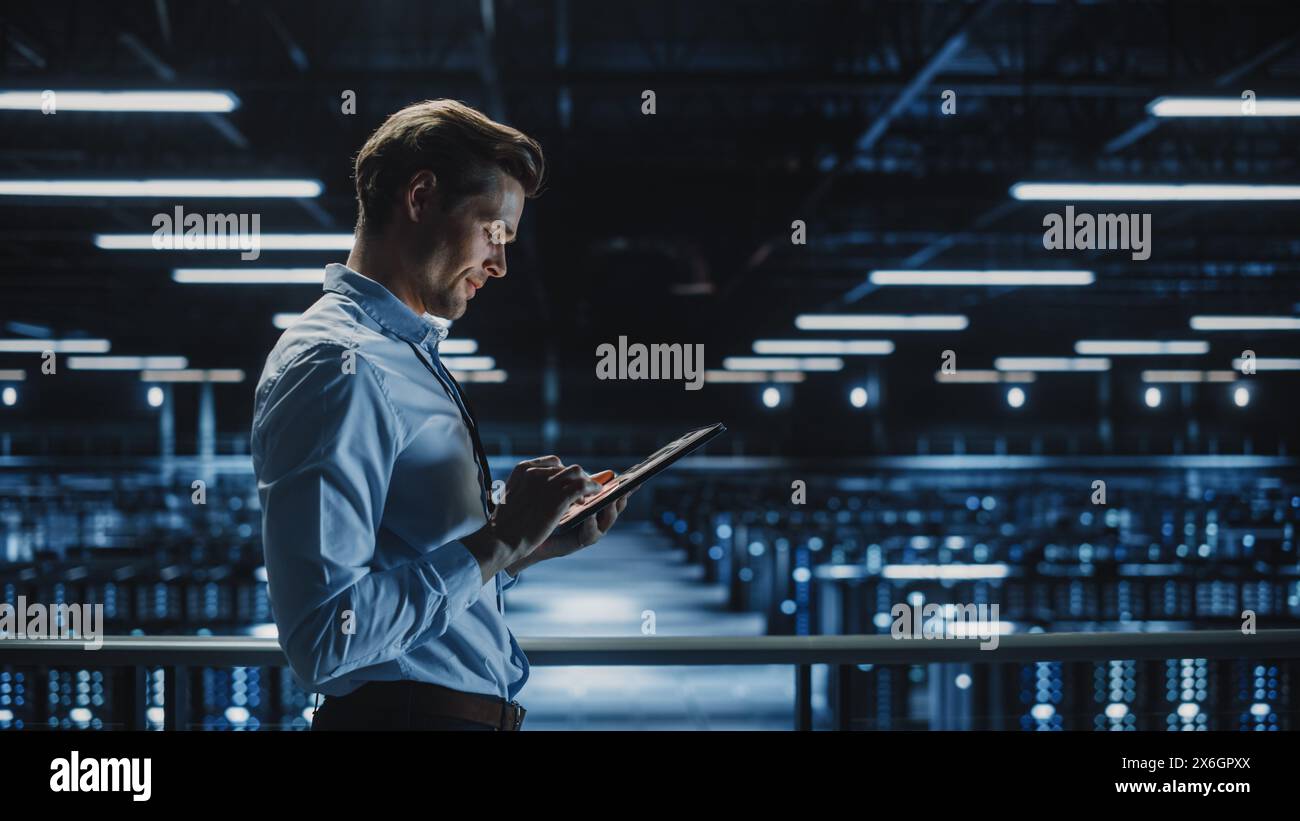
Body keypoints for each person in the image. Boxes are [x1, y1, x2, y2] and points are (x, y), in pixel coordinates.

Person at [251, 99, 629, 730]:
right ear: (421, 197)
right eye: (493, 231)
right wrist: (501, 536)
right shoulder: (336, 366)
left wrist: (527, 546)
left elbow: (414, 569)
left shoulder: (404, 357)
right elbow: (324, 639)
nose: (500, 264)